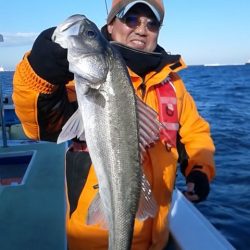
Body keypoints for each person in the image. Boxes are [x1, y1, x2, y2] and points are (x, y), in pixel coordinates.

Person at [13, 0, 216, 249]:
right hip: (92, 239)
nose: (142, 29)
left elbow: (194, 131)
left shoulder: (172, 83)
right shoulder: (73, 78)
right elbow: (38, 123)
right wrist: (42, 69)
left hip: (158, 235)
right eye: (131, 18)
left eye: (152, 23)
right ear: (110, 25)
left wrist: (199, 170)